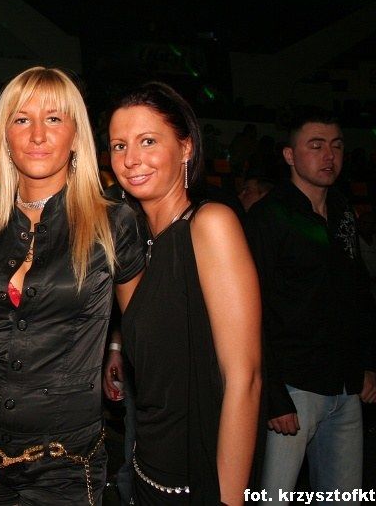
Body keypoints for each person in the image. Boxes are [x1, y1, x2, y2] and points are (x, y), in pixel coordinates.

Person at [0, 67, 145, 505]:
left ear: (76, 135)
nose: (37, 135)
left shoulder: (112, 223)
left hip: (67, 463)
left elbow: (147, 335)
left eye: (53, 118)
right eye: (21, 119)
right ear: (4, 136)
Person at [108, 82, 261, 505]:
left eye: (148, 141)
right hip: (147, 472)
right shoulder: (136, 243)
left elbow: (245, 379)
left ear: (186, 147)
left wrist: (228, 499)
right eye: (119, 146)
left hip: (199, 480)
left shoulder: (210, 225)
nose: (131, 159)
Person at [245, 109, 376, 504]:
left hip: (344, 385)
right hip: (293, 386)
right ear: (290, 155)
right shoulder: (269, 217)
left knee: (343, 497)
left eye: (336, 146)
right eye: (316, 146)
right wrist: (274, 395)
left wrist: (367, 363)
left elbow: (358, 294)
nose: (329, 155)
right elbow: (252, 311)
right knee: (274, 498)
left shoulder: (342, 211)